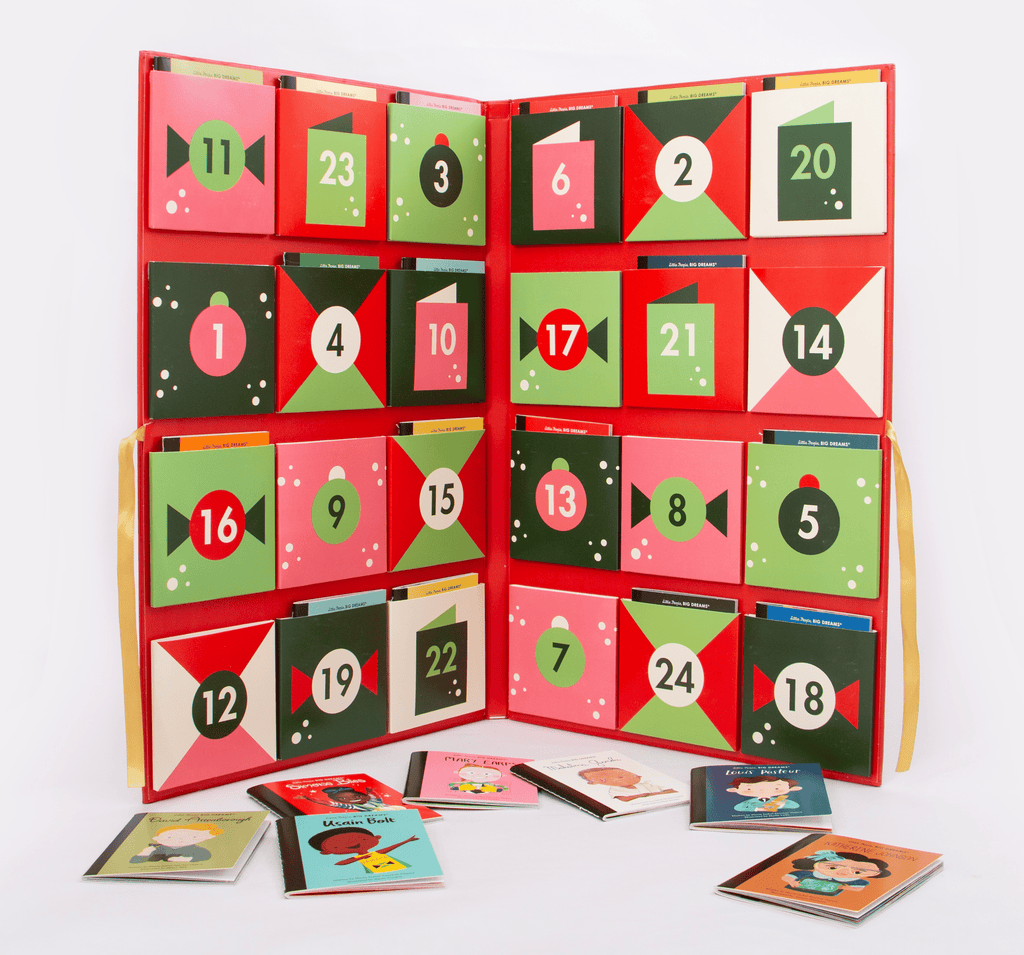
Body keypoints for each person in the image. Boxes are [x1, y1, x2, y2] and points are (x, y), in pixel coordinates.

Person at [308, 826, 418, 873]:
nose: (352, 843)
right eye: (336, 846)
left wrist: (406, 841)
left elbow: (385, 850)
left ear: (377, 838)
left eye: (364, 839)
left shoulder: (372, 854)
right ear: (326, 852)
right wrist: (360, 857)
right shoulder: (358, 857)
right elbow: (342, 862)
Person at [782, 848, 890, 896]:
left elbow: (858, 888)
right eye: (832, 867)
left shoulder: (853, 881)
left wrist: (846, 888)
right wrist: (792, 881)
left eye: (857, 872)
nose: (844, 872)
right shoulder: (808, 874)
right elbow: (787, 877)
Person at [129, 822, 224, 864]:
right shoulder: (156, 849)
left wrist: (187, 860)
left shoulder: (196, 850)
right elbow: (134, 861)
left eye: (193, 837)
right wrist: (144, 854)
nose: (180, 840)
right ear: (156, 838)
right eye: (169, 837)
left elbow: (205, 855)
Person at [578, 766, 676, 802]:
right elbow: (623, 798)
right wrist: (643, 795)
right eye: (603, 780)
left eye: (622, 775)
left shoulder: (646, 784)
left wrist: (650, 794)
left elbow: (671, 790)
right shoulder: (615, 789)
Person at [726, 774, 802, 812]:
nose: (762, 790)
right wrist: (758, 809)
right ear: (734, 790)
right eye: (749, 789)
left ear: (792, 789)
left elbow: (795, 805)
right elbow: (738, 808)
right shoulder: (749, 802)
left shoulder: (780, 800)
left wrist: (781, 805)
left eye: (777, 788)